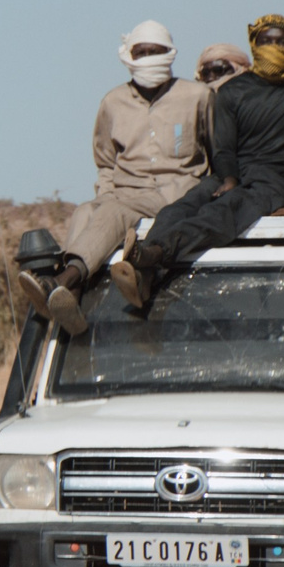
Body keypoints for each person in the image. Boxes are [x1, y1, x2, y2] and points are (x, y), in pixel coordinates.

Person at [110, 14, 284, 310]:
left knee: (227, 210)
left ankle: (153, 253)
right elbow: (224, 149)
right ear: (254, 44)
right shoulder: (233, 91)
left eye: (282, 42)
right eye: (266, 41)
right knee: (182, 206)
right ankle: (147, 267)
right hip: (238, 171)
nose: (274, 47)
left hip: (281, 177)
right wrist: (228, 177)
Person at [17, 20, 210, 335]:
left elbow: (215, 150)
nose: (148, 57)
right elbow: (105, 160)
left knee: (111, 212)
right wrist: (105, 193)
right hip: (124, 191)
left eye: (156, 51)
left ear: (169, 53)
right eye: (142, 51)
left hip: (174, 193)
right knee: (85, 210)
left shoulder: (198, 96)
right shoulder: (113, 102)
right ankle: (71, 306)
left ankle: (63, 280)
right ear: (129, 55)